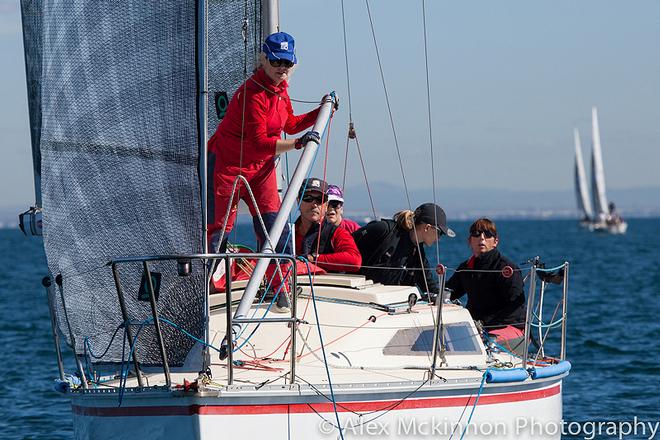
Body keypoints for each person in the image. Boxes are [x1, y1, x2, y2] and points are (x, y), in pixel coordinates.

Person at [207, 32, 332, 309]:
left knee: (275, 228)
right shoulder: (252, 93)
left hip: (260, 170)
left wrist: (320, 112)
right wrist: (299, 144)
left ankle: (281, 290)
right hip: (228, 167)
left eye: (287, 63)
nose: (282, 69)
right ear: (263, 59)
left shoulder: (280, 91)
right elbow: (260, 142)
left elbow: (289, 123)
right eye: (276, 62)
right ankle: (204, 291)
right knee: (219, 232)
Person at [444, 218, 527, 349]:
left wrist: (484, 326)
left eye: (487, 234)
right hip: (476, 328)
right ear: (470, 241)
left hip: (508, 327)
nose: (482, 238)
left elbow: (515, 308)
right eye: (476, 234)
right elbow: (448, 294)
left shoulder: (507, 269)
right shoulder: (466, 268)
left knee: (479, 344)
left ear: (495, 242)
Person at [352, 203, 455, 301]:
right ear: (427, 228)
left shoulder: (418, 255)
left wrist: (443, 299)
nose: (439, 239)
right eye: (439, 233)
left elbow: (429, 286)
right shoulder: (384, 230)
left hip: (384, 304)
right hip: (357, 297)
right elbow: (348, 243)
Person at [295, 178, 362, 273]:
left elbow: (355, 261)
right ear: (298, 201)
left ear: (326, 205)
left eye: (320, 200)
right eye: (308, 198)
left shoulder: (337, 233)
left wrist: (313, 258)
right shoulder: (286, 234)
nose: (314, 205)